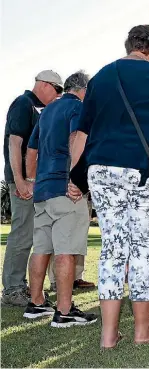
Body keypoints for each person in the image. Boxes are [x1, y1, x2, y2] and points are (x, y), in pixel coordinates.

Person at [69, 25, 149, 348]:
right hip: (140, 172)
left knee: (112, 249)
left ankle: (108, 335)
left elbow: (81, 134)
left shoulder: (100, 78)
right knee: (141, 251)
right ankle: (141, 331)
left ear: (129, 47)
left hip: (101, 172)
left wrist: (73, 178)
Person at [23, 71, 98, 328]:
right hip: (65, 189)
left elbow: (31, 149)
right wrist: (74, 179)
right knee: (66, 249)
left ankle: (36, 303)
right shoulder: (77, 107)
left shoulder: (47, 112)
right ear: (84, 89)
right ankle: (64, 310)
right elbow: (76, 138)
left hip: (43, 190)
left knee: (41, 247)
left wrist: (33, 179)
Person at [2, 70, 63, 307]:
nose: (57, 97)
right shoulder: (23, 103)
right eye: (57, 91)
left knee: (34, 234)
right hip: (23, 182)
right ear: (45, 85)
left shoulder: (36, 108)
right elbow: (14, 143)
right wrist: (20, 179)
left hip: (33, 182)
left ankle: (20, 285)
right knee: (23, 233)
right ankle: (12, 289)